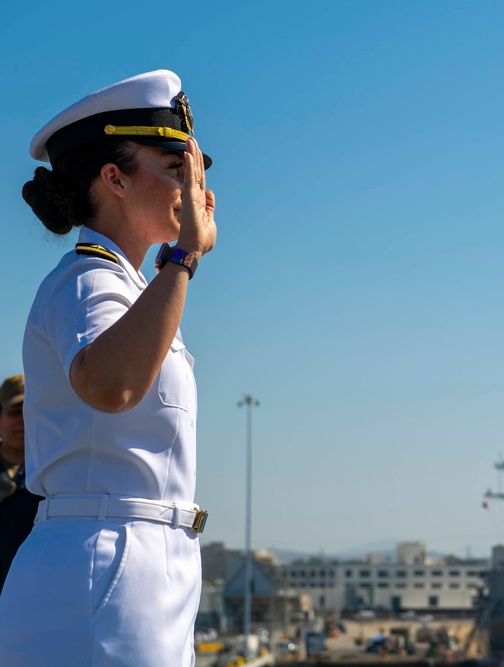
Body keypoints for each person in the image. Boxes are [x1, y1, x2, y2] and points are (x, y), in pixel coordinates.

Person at [0, 70, 216, 666]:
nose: (192, 188)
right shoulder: (86, 279)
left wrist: (174, 268)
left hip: (139, 567)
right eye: (175, 167)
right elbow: (111, 384)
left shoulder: (130, 287)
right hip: (103, 568)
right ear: (114, 178)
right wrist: (184, 258)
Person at [0, 374, 42, 593]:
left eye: (31, 410)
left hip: (34, 594)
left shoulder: (54, 474)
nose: (24, 419)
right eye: (15, 412)